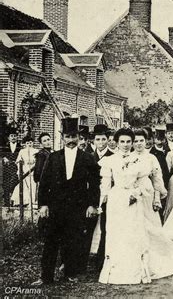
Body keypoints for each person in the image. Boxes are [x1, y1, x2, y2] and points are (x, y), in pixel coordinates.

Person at [32, 117, 100, 285]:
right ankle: (45, 276)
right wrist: (43, 204)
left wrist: (92, 204)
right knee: (51, 241)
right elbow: (44, 182)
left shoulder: (87, 158)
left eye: (74, 136)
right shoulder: (53, 157)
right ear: (62, 138)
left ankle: (70, 273)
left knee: (73, 240)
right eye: (68, 137)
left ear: (79, 137)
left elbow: (94, 184)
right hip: (55, 206)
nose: (71, 140)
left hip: (77, 207)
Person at [98, 128, 166, 284]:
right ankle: (115, 271)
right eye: (122, 141)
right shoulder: (110, 160)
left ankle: (135, 270)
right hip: (117, 199)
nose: (126, 145)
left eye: (129, 141)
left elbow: (145, 182)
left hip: (133, 198)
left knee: (133, 233)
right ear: (116, 142)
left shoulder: (141, 160)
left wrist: (137, 193)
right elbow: (106, 184)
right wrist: (101, 203)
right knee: (117, 233)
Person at [86, 124, 115, 272]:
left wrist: (109, 195)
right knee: (88, 226)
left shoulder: (113, 155)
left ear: (108, 139)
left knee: (105, 227)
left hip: (107, 197)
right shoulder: (88, 156)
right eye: (98, 139)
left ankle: (102, 260)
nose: (101, 142)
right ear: (94, 141)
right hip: (91, 196)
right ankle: (82, 260)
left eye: (104, 139)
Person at [11, 136, 38, 207]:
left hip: (33, 173)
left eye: (31, 142)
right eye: (27, 143)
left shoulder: (36, 151)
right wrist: (21, 169)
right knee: (23, 187)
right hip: (25, 172)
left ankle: (32, 203)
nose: (29, 144)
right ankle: (22, 202)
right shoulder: (22, 151)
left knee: (33, 187)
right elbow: (17, 161)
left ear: (33, 143)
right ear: (25, 144)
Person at [1, 126, 20, 206]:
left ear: (17, 137)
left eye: (15, 136)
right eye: (11, 136)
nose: (13, 137)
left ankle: (14, 203)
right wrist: (4, 158)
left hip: (16, 169)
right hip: (7, 169)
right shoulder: (5, 147)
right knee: (6, 185)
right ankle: (6, 203)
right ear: (8, 138)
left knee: (15, 184)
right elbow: (2, 154)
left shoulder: (20, 147)